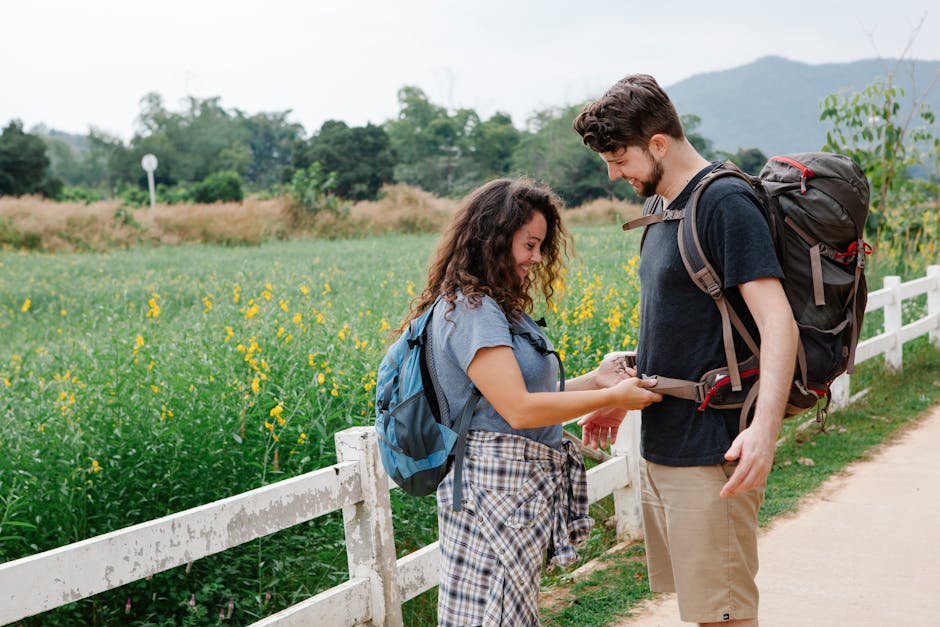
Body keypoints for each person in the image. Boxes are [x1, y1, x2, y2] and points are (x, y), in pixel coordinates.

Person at [573, 75, 799, 626]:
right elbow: (685, 326)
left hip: (711, 446)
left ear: (658, 143)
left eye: (618, 157)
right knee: (706, 611)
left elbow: (779, 322)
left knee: (724, 615)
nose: (613, 174)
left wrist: (765, 431)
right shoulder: (666, 208)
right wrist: (622, 394)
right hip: (667, 442)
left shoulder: (723, 202)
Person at [397, 177, 662, 626]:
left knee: (507, 613)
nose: (536, 258)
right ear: (494, 238)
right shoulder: (474, 310)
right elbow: (518, 409)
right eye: (529, 244)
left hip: (511, 490)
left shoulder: (495, 308)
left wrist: (596, 382)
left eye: (540, 246)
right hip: (492, 490)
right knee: (492, 614)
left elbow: (516, 399)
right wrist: (613, 395)